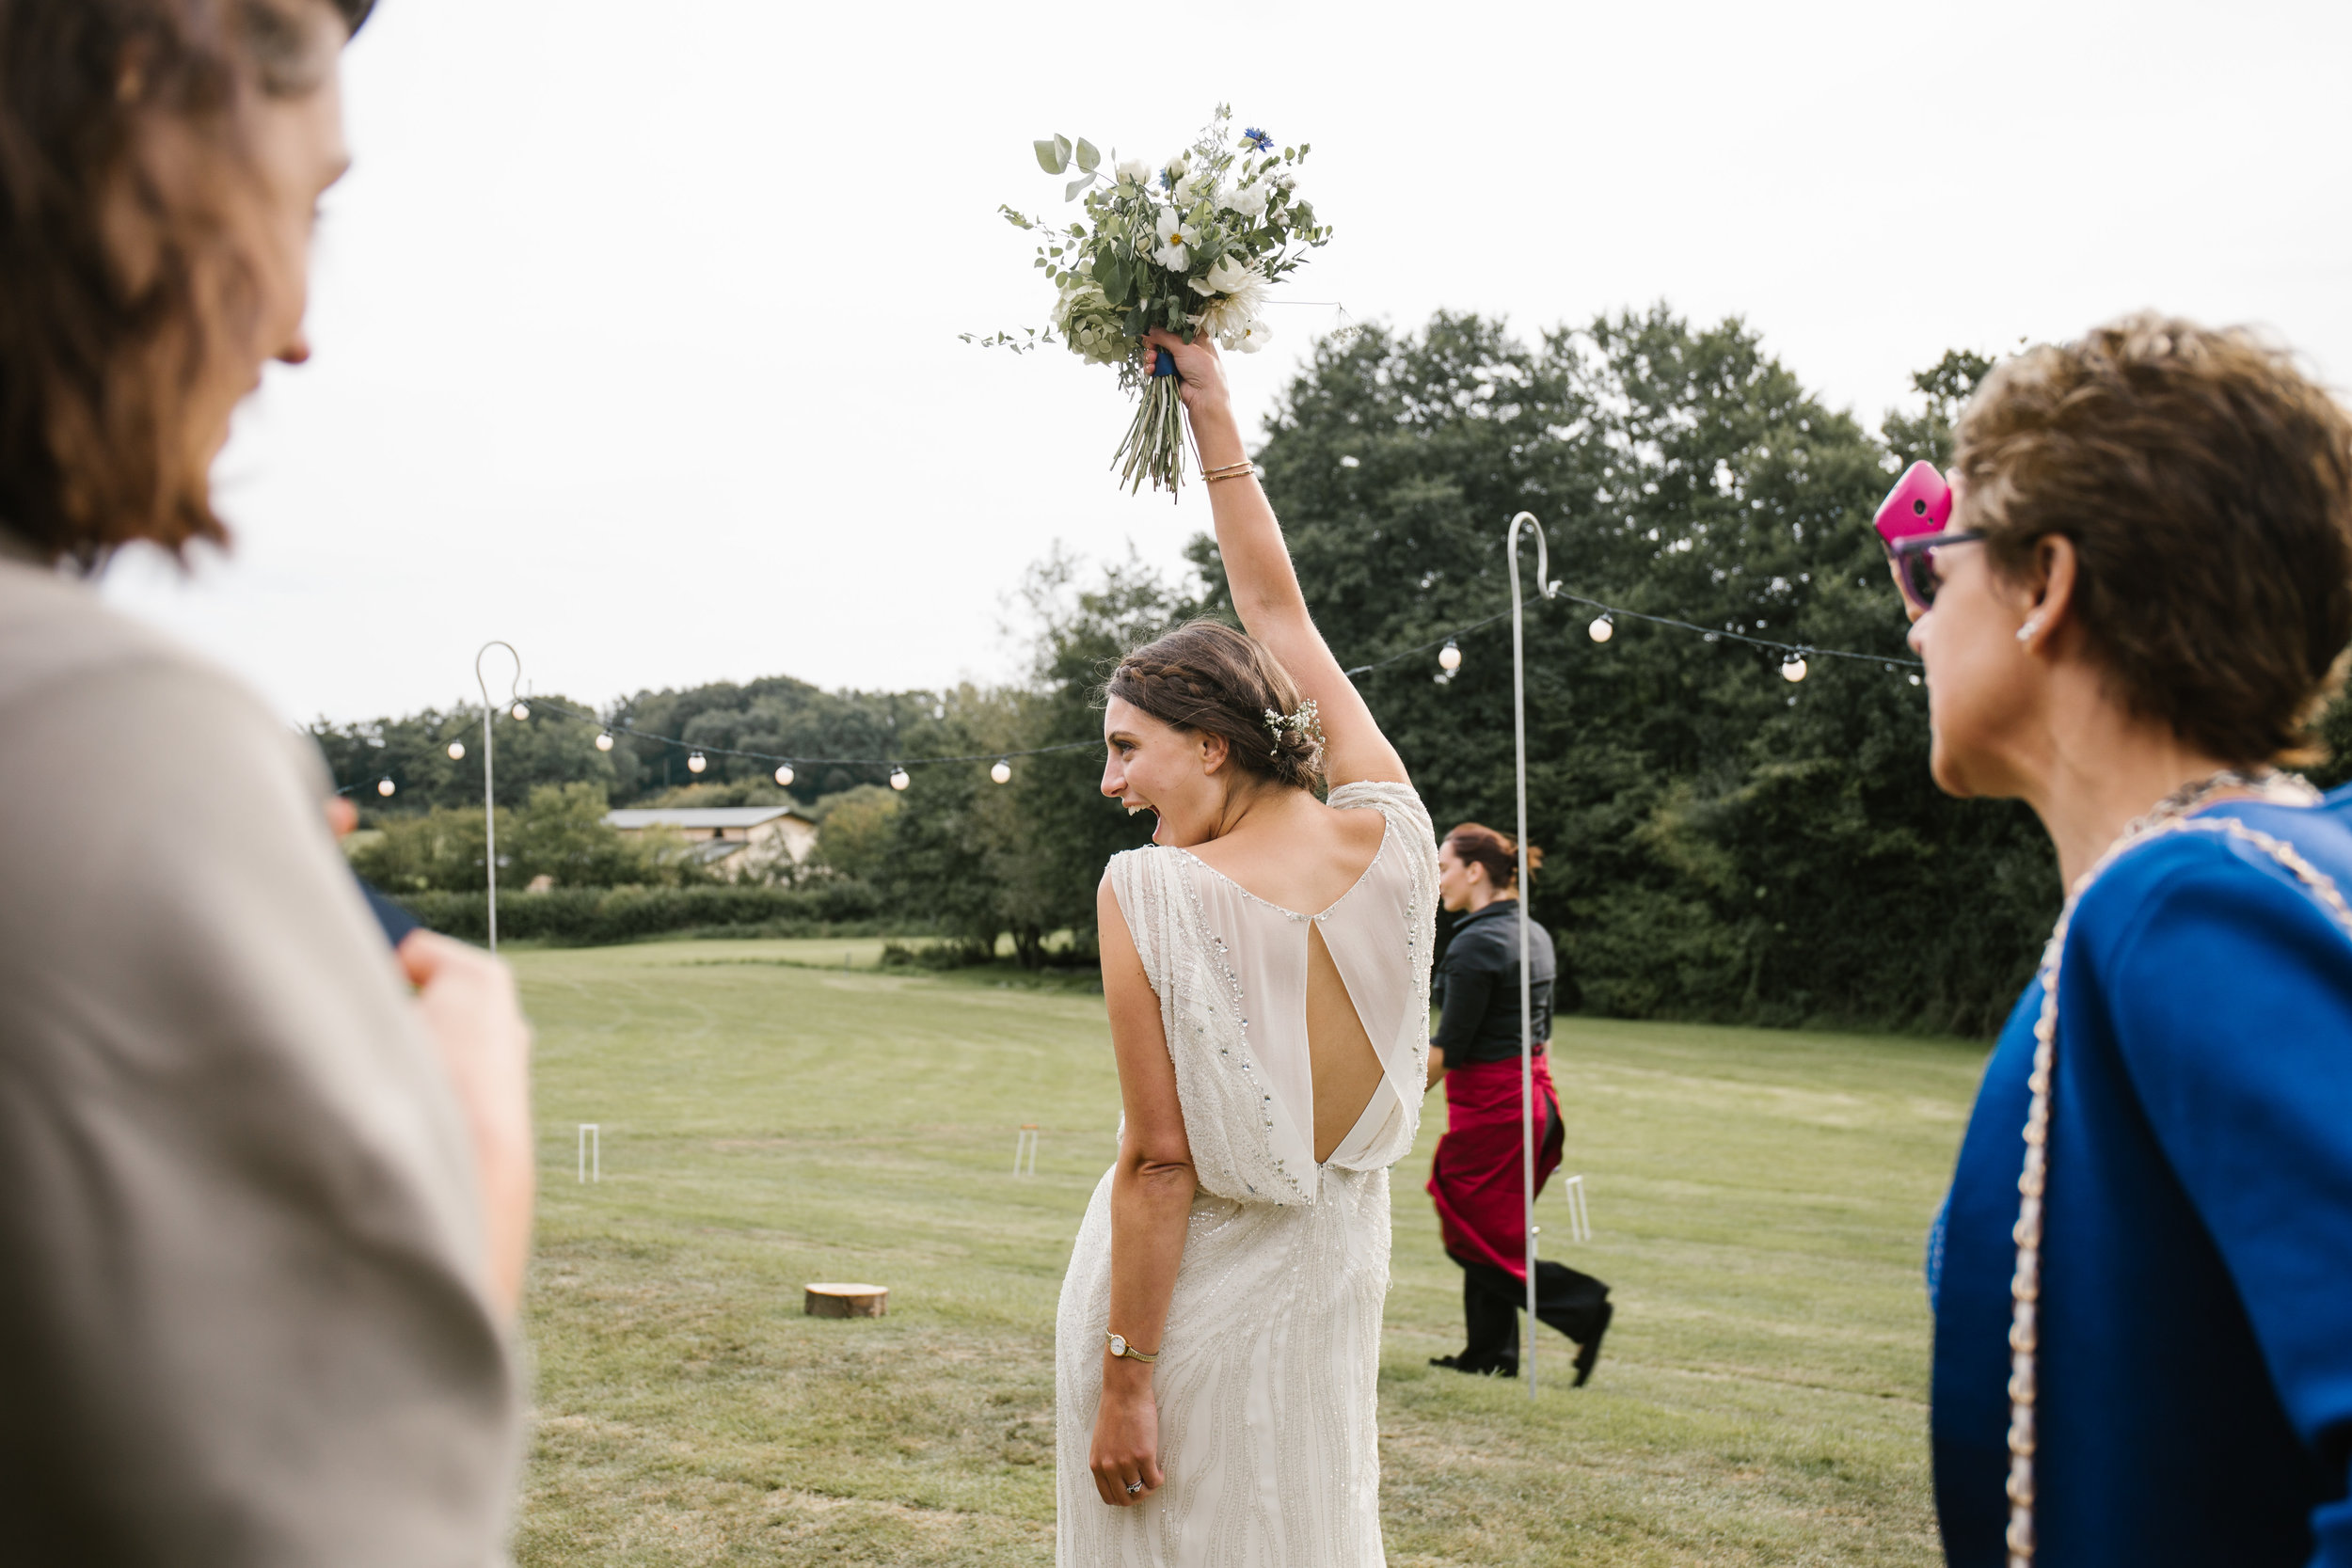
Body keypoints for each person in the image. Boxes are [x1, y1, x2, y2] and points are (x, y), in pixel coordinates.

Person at [0, 2, 533, 1561]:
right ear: (135, 120)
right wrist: (475, 1118)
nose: (297, 321)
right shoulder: (97, 731)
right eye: (300, 207)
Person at [1898, 315, 2352, 1567]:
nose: (1919, 622)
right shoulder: (2258, 871)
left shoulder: (2191, 906)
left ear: (2046, 583)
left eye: (1934, 567)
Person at [1054, 326, 1438, 1567]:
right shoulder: (1399, 833)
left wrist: (1126, 1379)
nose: (1112, 781)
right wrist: (1212, 404)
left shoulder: (1151, 890)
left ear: (1212, 742)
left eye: (1127, 746)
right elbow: (1278, 609)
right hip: (1328, 1302)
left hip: (1181, 1325)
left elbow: (1161, 1167)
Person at [1422, 823, 1611, 1382]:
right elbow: (1542, 1035)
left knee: (1464, 1221)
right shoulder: (1533, 932)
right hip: (1535, 1101)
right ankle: (1491, 1355)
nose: (1437, 881)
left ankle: (1582, 1308)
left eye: (1443, 868)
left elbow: (1449, 1049)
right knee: (1490, 1228)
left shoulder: (1476, 941)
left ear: (1474, 871)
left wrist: (1389, 1102)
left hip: (1497, 1109)